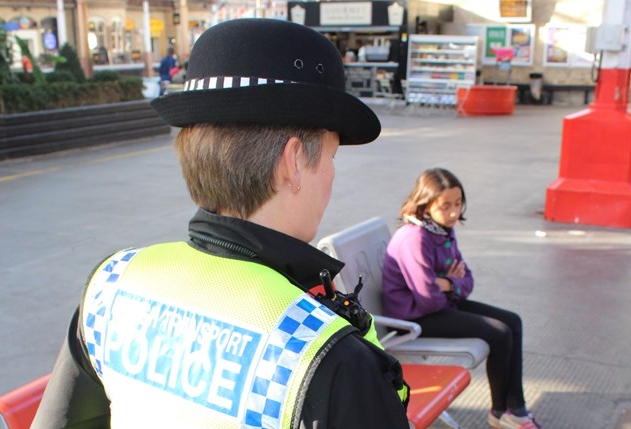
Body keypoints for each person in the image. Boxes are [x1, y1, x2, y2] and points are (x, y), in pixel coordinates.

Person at [32, 19, 410, 429]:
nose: (334, 175)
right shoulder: (323, 352)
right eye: (332, 157)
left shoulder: (112, 285)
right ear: (294, 162)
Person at [382, 167, 541, 429]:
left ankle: (516, 410)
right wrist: (450, 284)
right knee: (499, 333)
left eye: (458, 204)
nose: (454, 213)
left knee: (513, 321)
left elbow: (468, 281)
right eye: (446, 206)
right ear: (426, 204)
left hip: (440, 305)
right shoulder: (414, 238)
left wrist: (446, 283)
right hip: (412, 319)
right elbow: (428, 301)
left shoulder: (443, 229)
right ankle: (502, 413)